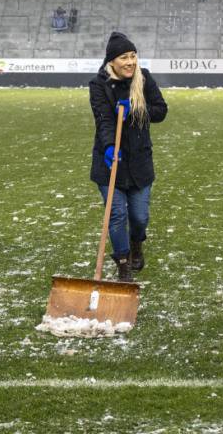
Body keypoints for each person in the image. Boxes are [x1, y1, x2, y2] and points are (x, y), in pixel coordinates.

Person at [89, 32, 168, 282]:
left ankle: (136, 244)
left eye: (133, 56)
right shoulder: (99, 84)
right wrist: (110, 147)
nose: (130, 62)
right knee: (116, 215)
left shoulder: (143, 79)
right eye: (124, 57)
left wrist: (135, 109)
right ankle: (123, 264)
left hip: (139, 162)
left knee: (139, 217)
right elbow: (103, 120)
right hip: (110, 161)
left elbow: (161, 111)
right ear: (112, 61)